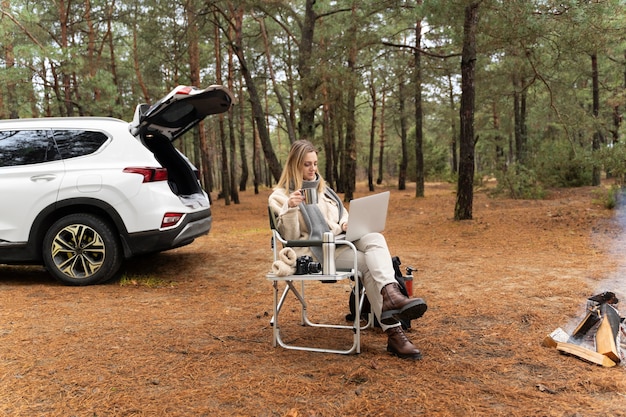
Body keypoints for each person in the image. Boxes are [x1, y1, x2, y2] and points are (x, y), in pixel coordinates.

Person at [268, 140, 427, 360]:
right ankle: (395, 333)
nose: (313, 169)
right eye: (307, 164)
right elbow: (291, 238)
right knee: (367, 266)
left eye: (315, 163)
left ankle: (391, 294)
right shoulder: (280, 196)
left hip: (342, 240)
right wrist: (291, 208)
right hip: (317, 252)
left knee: (374, 237)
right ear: (295, 165)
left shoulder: (325, 191)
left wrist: (347, 224)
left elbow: (343, 215)